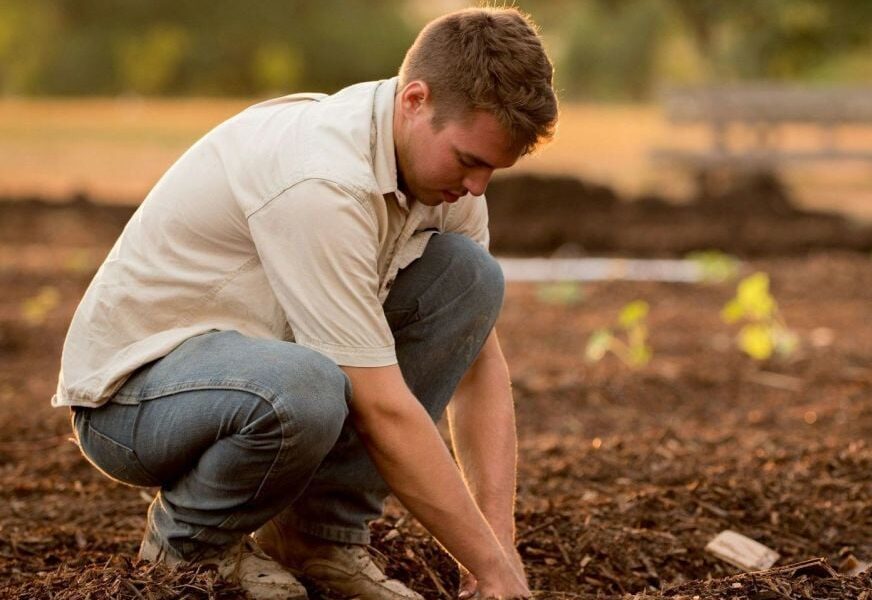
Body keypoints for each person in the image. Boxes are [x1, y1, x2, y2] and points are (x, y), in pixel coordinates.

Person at [52, 7, 557, 600]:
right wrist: (494, 571)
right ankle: (188, 549)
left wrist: (497, 551)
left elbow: (479, 365)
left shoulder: (443, 181)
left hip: (258, 369)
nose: (477, 187)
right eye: (470, 161)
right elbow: (381, 407)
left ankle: (317, 539)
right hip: (133, 399)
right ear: (415, 100)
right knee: (308, 387)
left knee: (471, 280)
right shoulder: (323, 181)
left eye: (492, 169)